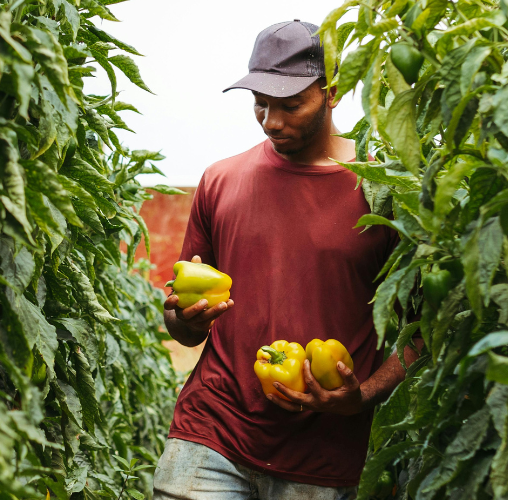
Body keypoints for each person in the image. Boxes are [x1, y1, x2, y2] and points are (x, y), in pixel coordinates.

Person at [153, 19, 423, 500]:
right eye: (261, 103)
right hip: (210, 432)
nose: (271, 121)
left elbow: (419, 332)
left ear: (332, 92)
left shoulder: (384, 191)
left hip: (323, 456)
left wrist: (361, 396)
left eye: (291, 105)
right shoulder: (220, 181)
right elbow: (183, 325)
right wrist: (184, 319)